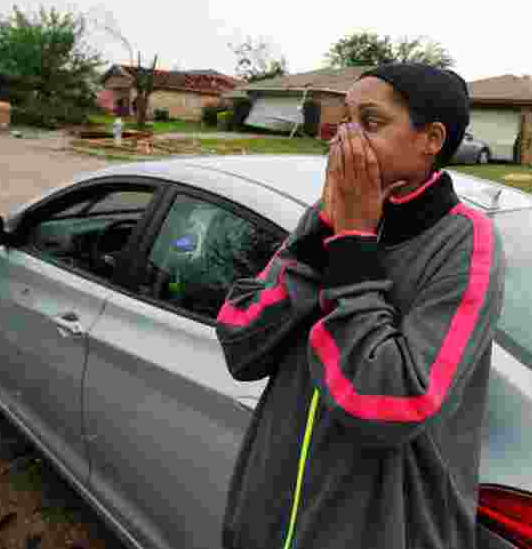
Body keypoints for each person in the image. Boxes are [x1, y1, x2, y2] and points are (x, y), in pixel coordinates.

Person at [215, 63, 506, 549]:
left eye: (369, 123)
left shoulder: (466, 240)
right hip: (265, 523)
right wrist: (323, 237)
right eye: (344, 121)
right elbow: (241, 344)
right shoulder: (325, 215)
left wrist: (353, 245)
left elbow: (392, 403)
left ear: (430, 140)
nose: (343, 138)